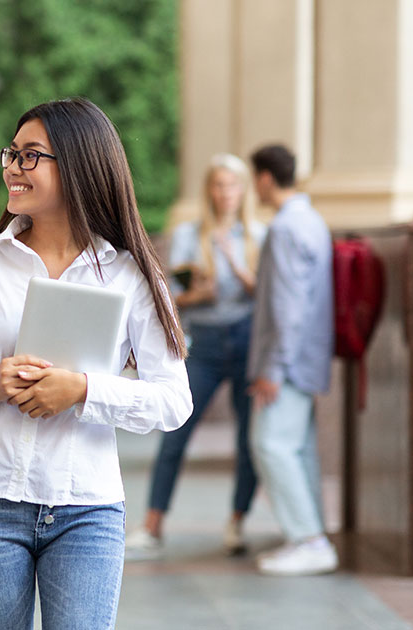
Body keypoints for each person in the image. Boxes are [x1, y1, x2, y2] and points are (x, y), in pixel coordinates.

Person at [0, 98, 192, 630]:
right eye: (12, 152)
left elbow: (174, 401)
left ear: (78, 164)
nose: (13, 166)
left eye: (31, 156)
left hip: (88, 508)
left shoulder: (131, 275)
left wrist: (82, 390)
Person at [125, 153, 266, 559]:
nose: (226, 193)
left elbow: (268, 296)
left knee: (247, 439)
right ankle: (152, 526)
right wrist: (197, 294)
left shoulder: (260, 234)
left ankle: (237, 522)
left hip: (245, 341)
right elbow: (170, 295)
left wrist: (238, 267)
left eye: (233, 185)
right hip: (202, 342)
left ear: (244, 191)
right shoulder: (189, 234)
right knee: (174, 433)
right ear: (209, 189)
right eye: (219, 184)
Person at [246, 144, 337, 576]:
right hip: (308, 358)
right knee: (295, 449)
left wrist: (272, 370)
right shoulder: (312, 220)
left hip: (289, 363)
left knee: (271, 445)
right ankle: (309, 536)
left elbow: (288, 308)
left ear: (265, 178)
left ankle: (310, 540)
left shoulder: (284, 228)